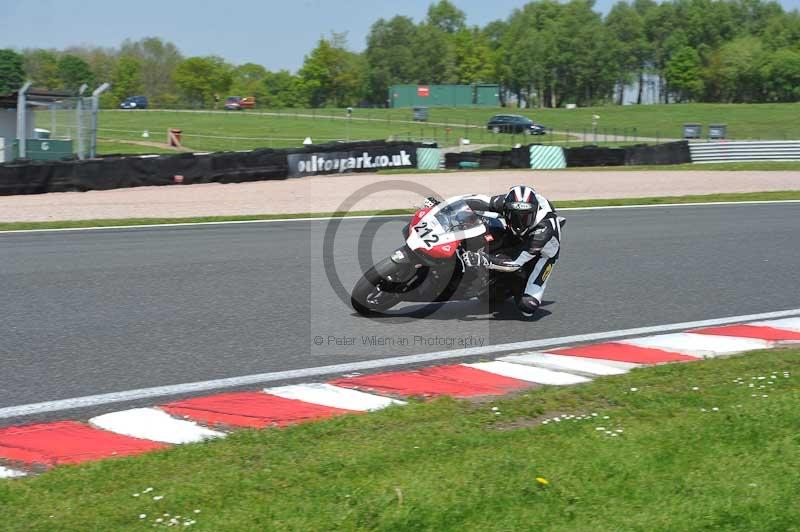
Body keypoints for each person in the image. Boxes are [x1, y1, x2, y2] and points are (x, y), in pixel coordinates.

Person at [463, 185, 563, 317]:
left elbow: (514, 262)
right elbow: (477, 200)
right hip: (516, 236)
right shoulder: (505, 202)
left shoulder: (543, 231)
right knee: (482, 222)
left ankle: (517, 281)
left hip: (542, 254)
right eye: (515, 217)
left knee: (527, 306)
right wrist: (442, 207)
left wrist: (483, 259)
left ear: (535, 211)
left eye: (526, 218)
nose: (520, 223)